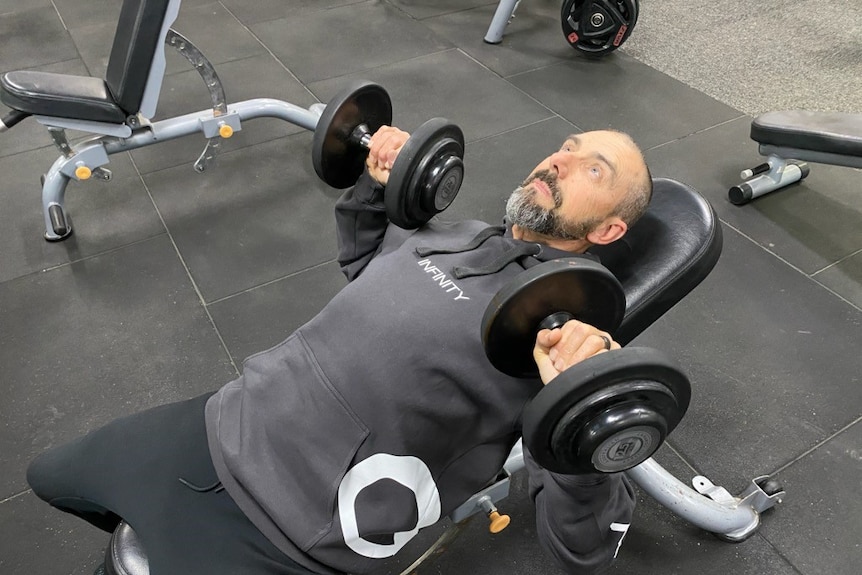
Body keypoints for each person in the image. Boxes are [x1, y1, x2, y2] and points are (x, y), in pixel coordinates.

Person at [27, 125, 653, 575]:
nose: (561, 162)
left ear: (607, 230)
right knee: (47, 477)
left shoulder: (566, 338)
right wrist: (373, 188)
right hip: (228, 421)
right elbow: (364, 267)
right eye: (567, 148)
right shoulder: (462, 235)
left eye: (593, 169)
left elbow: (586, 549)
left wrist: (578, 407)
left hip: (294, 525)